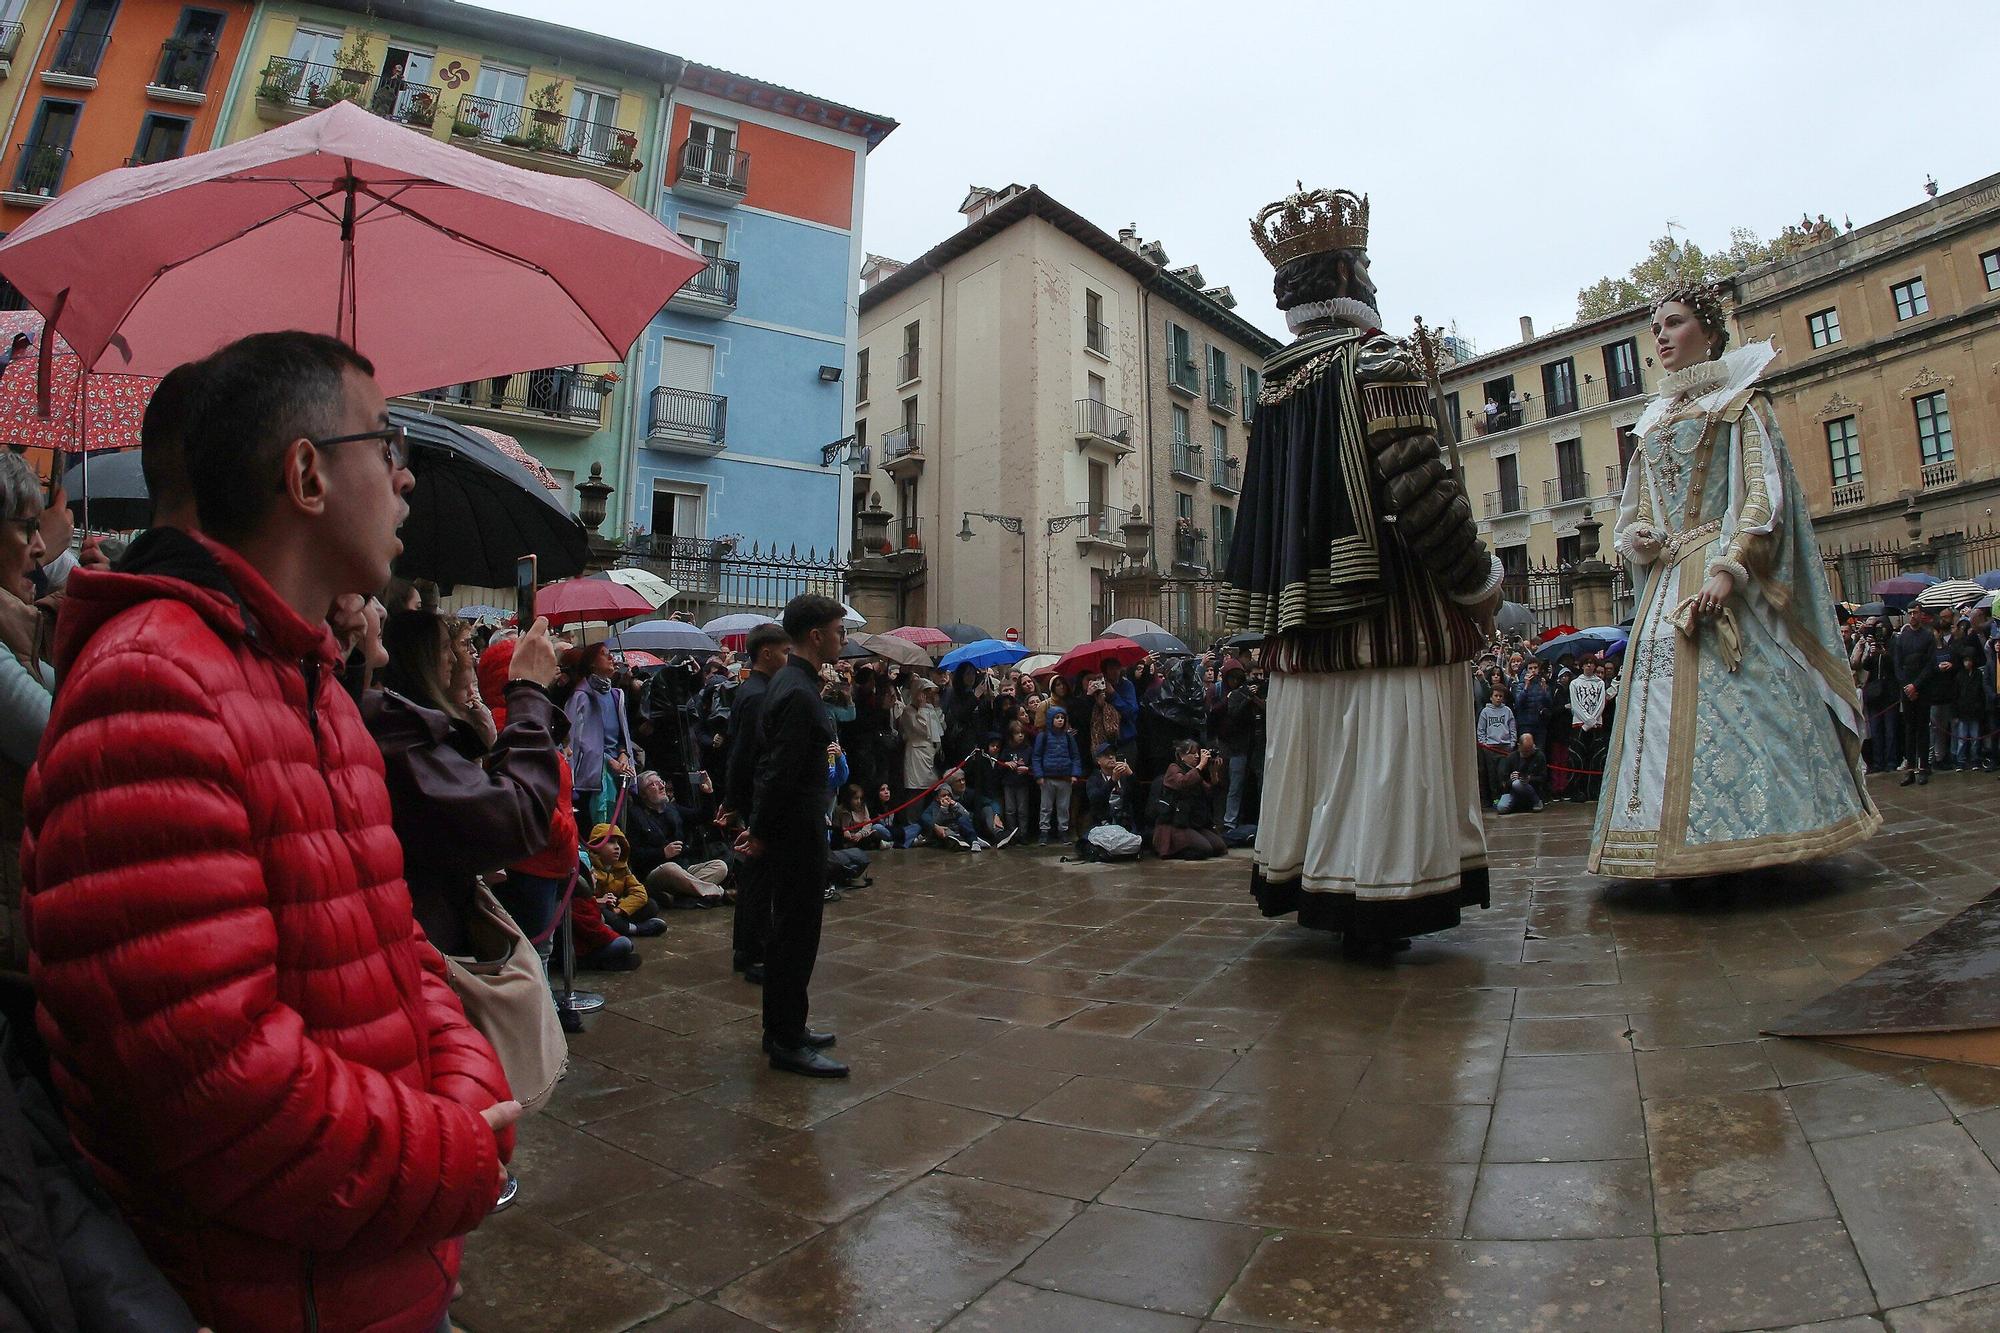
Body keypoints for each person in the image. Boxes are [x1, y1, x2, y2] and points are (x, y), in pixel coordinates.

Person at [21, 332, 516, 1332]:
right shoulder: (151, 686)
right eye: (387, 446)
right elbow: (219, 1092)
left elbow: (397, 949)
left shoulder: (313, 687)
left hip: (373, 1261)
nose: (408, 480)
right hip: (274, 1292)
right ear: (305, 474)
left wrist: (466, 1087)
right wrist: (458, 1147)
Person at [1219, 185, 1501, 957]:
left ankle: (1323, 889)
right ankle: (1382, 899)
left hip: (1305, 623)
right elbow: (1424, 491)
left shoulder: (1274, 385)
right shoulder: (1380, 360)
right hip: (1392, 612)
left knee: (1323, 759)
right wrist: (1480, 587)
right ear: (1347, 278)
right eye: (1364, 265)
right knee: (1382, 760)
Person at [1588, 285, 1879, 875]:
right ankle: (1658, 844)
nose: (1662, 336)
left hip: (1722, 577)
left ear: (1711, 332)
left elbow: (1761, 496)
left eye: (1675, 323)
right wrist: (1641, 536)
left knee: (1746, 703)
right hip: (1668, 582)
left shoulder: (1742, 405)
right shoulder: (1652, 422)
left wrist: (1730, 567)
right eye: (1657, 327)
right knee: (1658, 707)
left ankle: (1754, 842)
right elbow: (1638, 507)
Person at [366, 606, 562, 957]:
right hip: (426, 940)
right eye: (448, 648)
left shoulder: (431, 725)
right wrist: (529, 690)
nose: (459, 659)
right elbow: (514, 818)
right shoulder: (396, 732)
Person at [742, 595, 850, 1078]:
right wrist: (761, 833)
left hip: (795, 825)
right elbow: (778, 772)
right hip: (795, 830)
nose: (842, 639)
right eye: (838, 631)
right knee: (795, 935)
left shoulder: (795, 683)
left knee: (792, 933)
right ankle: (787, 1040)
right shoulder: (799, 692)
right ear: (815, 636)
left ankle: (786, 1025)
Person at [723, 623, 791, 983]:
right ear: (766, 653)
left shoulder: (754, 690)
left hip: (750, 795)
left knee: (755, 877)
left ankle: (748, 948)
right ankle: (753, 951)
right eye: (783, 652)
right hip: (756, 798)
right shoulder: (758, 695)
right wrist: (737, 800)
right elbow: (746, 753)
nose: (787, 658)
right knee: (759, 879)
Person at [628, 769, 729, 905]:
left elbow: (702, 816)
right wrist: (662, 853)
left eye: (660, 782)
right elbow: (634, 855)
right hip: (656, 873)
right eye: (653, 784)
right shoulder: (635, 815)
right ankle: (720, 893)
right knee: (670, 868)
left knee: (720, 866)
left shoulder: (672, 808)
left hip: (683, 870)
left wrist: (707, 792)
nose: (662, 786)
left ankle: (679, 897)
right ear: (643, 794)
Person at [565, 642, 635, 829]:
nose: (611, 658)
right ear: (592, 664)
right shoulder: (581, 697)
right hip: (591, 778)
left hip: (618, 772)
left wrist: (623, 754)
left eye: (610, 653)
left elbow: (623, 735)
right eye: (605, 654)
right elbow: (577, 741)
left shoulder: (615, 695)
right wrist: (608, 760)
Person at [1151, 739, 1228, 860]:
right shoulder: (1174, 768)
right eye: (1192, 753)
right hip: (1176, 824)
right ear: (1182, 756)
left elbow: (1209, 793)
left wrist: (1214, 773)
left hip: (1194, 822)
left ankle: (1192, 843)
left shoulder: (1195, 771)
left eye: (1198, 753)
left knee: (1219, 847)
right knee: (1204, 850)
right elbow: (1183, 782)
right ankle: (1175, 850)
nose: (1197, 756)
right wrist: (1201, 765)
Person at [1031, 704, 1084, 845]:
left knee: (1063, 807)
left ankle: (1063, 832)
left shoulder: (1068, 737)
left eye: (1062, 718)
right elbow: (1036, 757)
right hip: (1047, 778)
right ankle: (1043, 832)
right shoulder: (1043, 736)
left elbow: (1075, 757)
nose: (1060, 720)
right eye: (1057, 717)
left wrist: (1074, 774)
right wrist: (1039, 775)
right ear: (1050, 719)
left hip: (1065, 778)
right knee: (1045, 807)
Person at [1565, 657, 1612, 802]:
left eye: (1592, 663)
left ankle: (1594, 791)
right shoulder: (1575, 683)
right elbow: (1575, 703)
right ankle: (1576, 790)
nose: (1589, 666)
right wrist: (1586, 721)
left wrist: (1593, 720)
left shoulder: (1600, 684)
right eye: (1586, 663)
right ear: (1582, 666)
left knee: (1597, 758)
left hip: (1596, 725)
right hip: (1579, 725)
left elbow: (1600, 703)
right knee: (1577, 758)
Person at [892, 676, 944, 804]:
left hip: (930, 754)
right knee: (916, 794)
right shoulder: (908, 711)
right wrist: (921, 709)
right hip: (916, 756)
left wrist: (936, 708)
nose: (927, 697)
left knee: (930, 792)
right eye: (925, 693)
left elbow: (941, 727)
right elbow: (922, 730)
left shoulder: (930, 709)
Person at [1476, 687, 1518, 802]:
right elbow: (1481, 729)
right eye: (1496, 696)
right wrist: (1484, 744)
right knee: (1492, 774)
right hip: (1490, 747)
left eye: (1500, 696)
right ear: (1491, 697)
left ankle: (1504, 796)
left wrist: (1512, 742)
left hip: (1504, 747)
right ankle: (1495, 798)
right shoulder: (1485, 712)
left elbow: (1512, 728)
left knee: (1502, 773)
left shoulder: (1507, 711)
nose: (1498, 698)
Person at [998, 719, 1038, 836]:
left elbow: (1034, 765)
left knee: (1022, 810)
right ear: (1011, 735)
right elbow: (999, 766)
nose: (1020, 735)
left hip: (1023, 784)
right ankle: (1012, 833)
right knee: (1010, 810)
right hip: (1009, 784)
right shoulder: (1006, 750)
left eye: (1022, 733)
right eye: (1017, 733)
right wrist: (1006, 764)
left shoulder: (1028, 749)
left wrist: (1028, 769)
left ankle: (1023, 833)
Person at [1495, 733, 1548, 813]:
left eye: (1530, 749)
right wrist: (1511, 779)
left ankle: (1536, 802)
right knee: (1501, 808)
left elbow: (1544, 778)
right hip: (1512, 791)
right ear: (1519, 746)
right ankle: (1517, 804)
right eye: (1526, 751)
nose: (1528, 753)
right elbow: (1503, 782)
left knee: (1518, 784)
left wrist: (1530, 779)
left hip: (1532, 788)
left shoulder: (1539, 756)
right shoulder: (1511, 757)